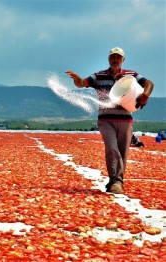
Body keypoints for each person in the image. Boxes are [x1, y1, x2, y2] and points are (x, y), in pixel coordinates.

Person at [66, 47, 154, 194]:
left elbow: (149, 83)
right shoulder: (99, 76)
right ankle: (117, 182)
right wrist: (78, 80)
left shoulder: (131, 76)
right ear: (108, 59)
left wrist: (145, 95)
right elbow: (83, 83)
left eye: (118, 58)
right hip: (105, 120)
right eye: (113, 57)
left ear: (123, 60)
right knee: (112, 149)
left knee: (122, 152)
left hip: (126, 120)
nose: (115, 60)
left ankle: (115, 181)